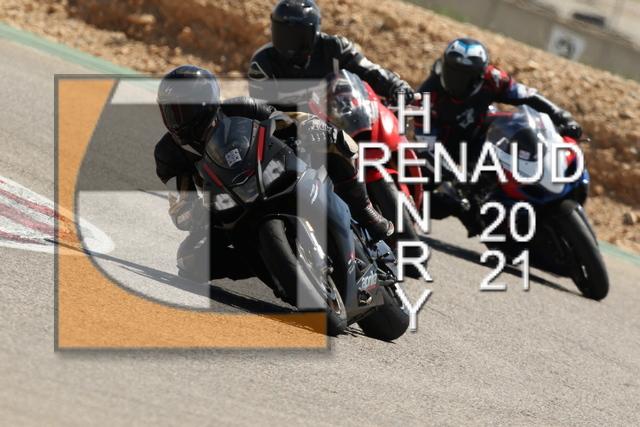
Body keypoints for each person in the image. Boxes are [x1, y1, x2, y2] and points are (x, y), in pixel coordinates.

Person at [154, 65, 394, 282]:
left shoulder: (240, 107)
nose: (176, 120)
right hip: (228, 207)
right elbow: (179, 206)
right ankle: (274, 266)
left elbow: (285, 120)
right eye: (169, 111)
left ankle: (365, 211)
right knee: (189, 260)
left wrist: (310, 126)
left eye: (182, 109)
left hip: (275, 171)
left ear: (204, 103)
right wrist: (194, 212)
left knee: (336, 142)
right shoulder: (167, 153)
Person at [413, 37, 583, 236]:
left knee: (517, 123)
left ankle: (535, 182)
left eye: (467, 76)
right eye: (454, 72)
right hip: (445, 149)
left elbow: (528, 96)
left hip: (481, 134)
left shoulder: (493, 77)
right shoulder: (427, 95)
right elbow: (427, 147)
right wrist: (455, 177)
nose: (459, 82)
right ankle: (461, 210)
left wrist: (562, 116)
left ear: (481, 73)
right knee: (418, 192)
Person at [247, 0, 414, 112]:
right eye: (285, 34)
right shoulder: (262, 62)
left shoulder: (335, 48)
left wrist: (395, 85)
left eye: (299, 35)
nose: (291, 43)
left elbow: (369, 70)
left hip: (340, 128)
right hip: (289, 137)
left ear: (315, 31)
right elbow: (263, 112)